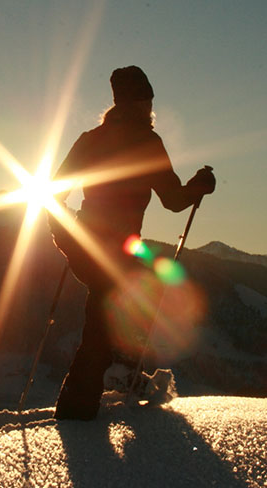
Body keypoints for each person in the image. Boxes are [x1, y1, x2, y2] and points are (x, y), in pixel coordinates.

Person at [49, 65, 216, 420]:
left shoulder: (89, 139)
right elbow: (172, 200)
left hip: (85, 244)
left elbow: (52, 194)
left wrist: (66, 238)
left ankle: (119, 376)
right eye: (148, 100)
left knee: (112, 312)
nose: (150, 107)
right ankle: (79, 410)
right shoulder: (146, 142)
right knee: (107, 321)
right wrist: (199, 186)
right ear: (141, 102)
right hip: (116, 248)